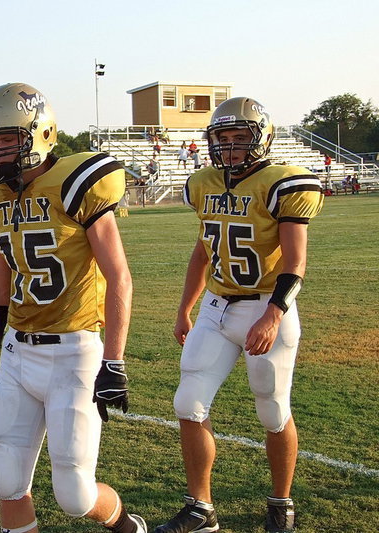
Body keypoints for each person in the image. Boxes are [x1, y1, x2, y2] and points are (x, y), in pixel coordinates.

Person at [0, 82, 146, 533]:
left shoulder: (75, 184)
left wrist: (115, 360)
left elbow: (119, 276)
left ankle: (127, 526)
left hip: (74, 351)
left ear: (39, 134)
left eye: (7, 139)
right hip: (16, 354)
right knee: (7, 481)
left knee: (75, 494)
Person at [154, 97, 323, 533]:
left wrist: (273, 314)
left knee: (271, 408)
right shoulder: (204, 182)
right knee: (188, 404)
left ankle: (281, 500)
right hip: (216, 304)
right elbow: (202, 249)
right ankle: (200, 508)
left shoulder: (282, 183)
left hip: (265, 303)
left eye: (240, 137)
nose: (229, 146)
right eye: (222, 138)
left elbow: (295, 262)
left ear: (261, 137)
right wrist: (184, 307)